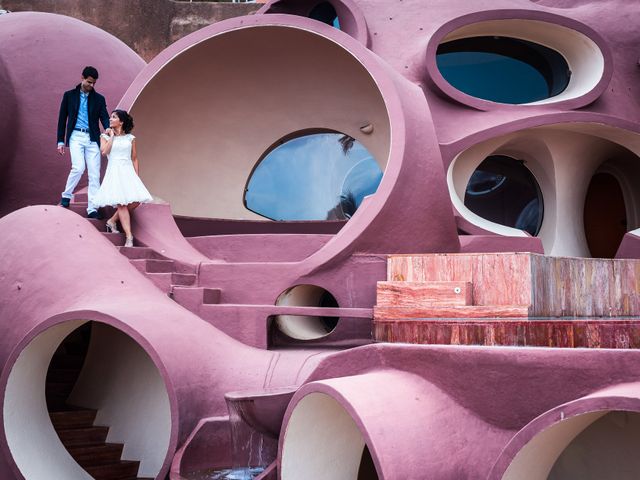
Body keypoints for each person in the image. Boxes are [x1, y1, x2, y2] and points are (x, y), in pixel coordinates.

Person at [93, 109, 152, 247]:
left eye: (114, 117)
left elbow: (135, 158)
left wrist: (137, 176)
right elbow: (104, 152)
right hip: (115, 172)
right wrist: (112, 136)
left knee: (136, 201)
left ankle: (112, 221)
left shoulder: (130, 138)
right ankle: (129, 237)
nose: (110, 119)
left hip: (128, 172)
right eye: (110, 117)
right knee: (122, 204)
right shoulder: (105, 136)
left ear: (121, 121)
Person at [57, 66, 110, 218]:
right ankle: (66, 195)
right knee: (78, 167)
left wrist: (107, 128)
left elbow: (104, 116)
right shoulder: (69, 96)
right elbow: (62, 119)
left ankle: (92, 208)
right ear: (82, 78)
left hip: (93, 138)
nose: (91, 85)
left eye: (94, 83)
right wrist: (60, 141)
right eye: (89, 82)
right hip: (76, 136)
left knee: (94, 175)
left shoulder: (99, 99)